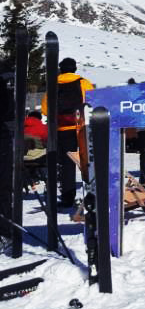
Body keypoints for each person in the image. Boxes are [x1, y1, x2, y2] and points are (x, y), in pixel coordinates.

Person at [42, 57, 93, 206]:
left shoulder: (53, 85)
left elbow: (45, 109)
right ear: (75, 68)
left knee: (67, 163)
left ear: (61, 69)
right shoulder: (84, 83)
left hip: (62, 129)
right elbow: (93, 102)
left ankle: (67, 197)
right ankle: (92, 195)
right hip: (82, 127)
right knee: (88, 161)